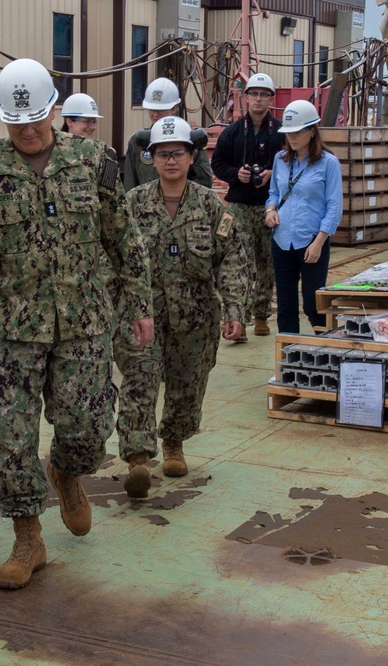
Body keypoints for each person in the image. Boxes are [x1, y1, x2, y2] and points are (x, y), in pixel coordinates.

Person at [0, 58, 154, 590]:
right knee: (10, 438)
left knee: (86, 429)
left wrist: (140, 303)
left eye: (37, 120)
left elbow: (123, 238)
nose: (29, 132)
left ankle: (66, 472)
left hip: (83, 322)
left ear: (54, 110)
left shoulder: (93, 162)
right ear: (2, 118)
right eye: (18, 124)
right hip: (9, 328)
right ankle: (27, 538)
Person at [116, 116, 248, 498]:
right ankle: (138, 458)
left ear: (192, 157)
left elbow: (233, 260)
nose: (170, 160)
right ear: (150, 159)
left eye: (178, 153)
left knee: (186, 385)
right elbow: (114, 257)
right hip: (142, 315)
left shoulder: (210, 206)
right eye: (162, 154)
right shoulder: (133, 204)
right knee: (139, 381)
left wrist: (235, 310)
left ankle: (174, 443)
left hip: (195, 317)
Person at [211, 73, 284, 341]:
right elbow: (216, 163)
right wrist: (235, 175)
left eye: (264, 94)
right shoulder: (232, 132)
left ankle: (262, 314)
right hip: (239, 204)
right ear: (245, 97)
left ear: (271, 99)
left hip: (269, 205)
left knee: (268, 261)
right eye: (254, 93)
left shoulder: (280, 132)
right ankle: (237, 319)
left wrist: (271, 172)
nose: (258, 99)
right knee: (238, 261)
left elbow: (292, 161)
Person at [264, 100, 342, 334]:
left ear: (311, 131)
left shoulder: (329, 163)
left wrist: (319, 242)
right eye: (288, 133)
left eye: (297, 132)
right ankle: (290, 354)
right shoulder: (280, 160)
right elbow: (274, 194)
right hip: (282, 239)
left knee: (313, 303)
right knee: (286, 305)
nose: (292, 138)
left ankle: (326, 348)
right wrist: (270, 211)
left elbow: (334, 207)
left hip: (311, 241)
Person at [124, 76, 213, 190]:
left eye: (160, 110)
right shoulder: (138, 142)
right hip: (146, 205)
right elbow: (129, 184)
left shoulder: (190, 139)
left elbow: (204, 182)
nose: (155, 115)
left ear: (174, 108)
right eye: (152, 110)